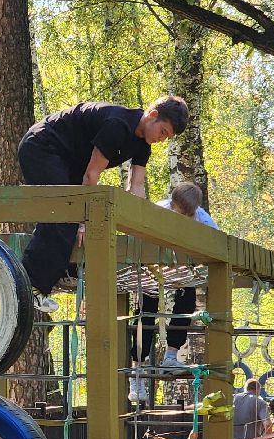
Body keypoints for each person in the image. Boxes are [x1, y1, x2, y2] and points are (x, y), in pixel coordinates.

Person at [17, 97, 190, 311]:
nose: (161, 140)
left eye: (167, 138)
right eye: (163, 132)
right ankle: (28, 287)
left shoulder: (143, 144)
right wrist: (84, 221)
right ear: (152, 115)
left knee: (67, 215)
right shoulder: (117, 125)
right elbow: (91, 175)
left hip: (68, 162)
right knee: (64, 214)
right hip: (43, 147)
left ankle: (53, 275)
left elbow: (136, 188)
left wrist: (140, 229)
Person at [128, 181, 216, 402]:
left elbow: (217, 245)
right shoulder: (157, 211)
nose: (183, 217)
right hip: (153, 266)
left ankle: (171, 357)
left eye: (188, 214)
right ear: (172, 203)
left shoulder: (204, 220)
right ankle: (137, 371)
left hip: (182, 269)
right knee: (145, 311)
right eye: (180, 212)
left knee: (186, 303)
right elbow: (136, 238)